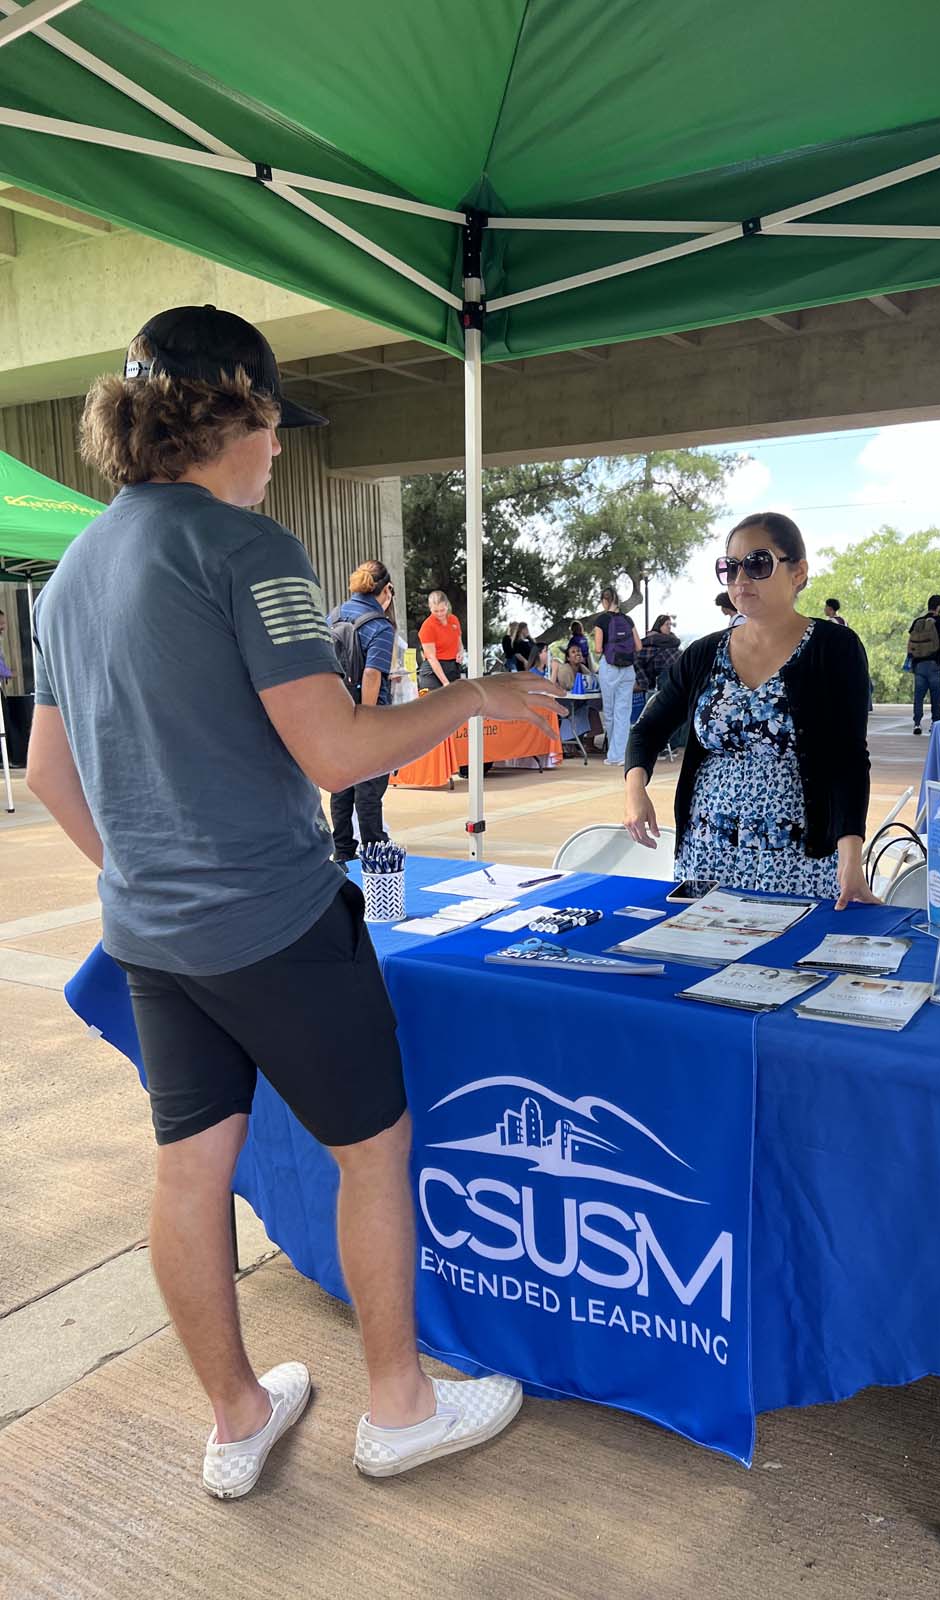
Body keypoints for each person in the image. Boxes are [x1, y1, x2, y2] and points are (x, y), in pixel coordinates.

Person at [25, 304, 558, 1496]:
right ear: (230, 411)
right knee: (372, 1153)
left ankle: (235, 1417)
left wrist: (148, 870)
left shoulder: (68, 579)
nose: (279, 451)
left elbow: (49, 774)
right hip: (274, 919)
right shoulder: (244, 547)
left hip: (151, 936)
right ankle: (401, 1405)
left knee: (186, 1172)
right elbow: (336, 751)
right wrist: (478, 699)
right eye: (273, 424)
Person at [623, 511, 877, 907]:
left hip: (798, 856)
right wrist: (636, 791)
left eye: (758, 564)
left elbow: (847, 758)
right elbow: (647, 730)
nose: (741, 579)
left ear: (798, 572)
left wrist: (850, 860)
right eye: (730, 567)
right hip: (708, 849)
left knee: (788, 963)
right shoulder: (704, 653)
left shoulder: (834, 647)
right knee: (702, 956)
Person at [327, 560, 396, 865]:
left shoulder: (334, 615)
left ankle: (342, 850)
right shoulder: (379, 626)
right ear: (387, 589)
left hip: (335, 712)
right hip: (366, 715)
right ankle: (374, 850)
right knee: (369, 785)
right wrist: (366, 718)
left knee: (341, 784)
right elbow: (371, 675)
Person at [593, 588, 641, 767]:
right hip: (628, 669)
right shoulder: (628, 619)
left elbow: (598, 648)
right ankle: (620, 753)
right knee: (624, 712)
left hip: (610, 668)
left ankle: (613, 754)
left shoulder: (602, 620)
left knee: (610, 712)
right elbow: (638, 645)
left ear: (604, 601)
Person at [908, 593, 940, 734]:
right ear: (938, 607)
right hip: (935, 664)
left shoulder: (918, 621)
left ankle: (917, 724)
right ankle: (935, 723)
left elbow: (910, 643)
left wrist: (910, 661)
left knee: (918, 696)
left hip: (919, 664)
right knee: (936, 696)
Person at [416, 589, 465, 690]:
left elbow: (459, 642)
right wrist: (445, 682)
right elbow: (431, 658)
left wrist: (460, 651)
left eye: (442, 610)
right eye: (435, 611)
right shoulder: (427, 626)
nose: (439, 614)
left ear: (447, 605)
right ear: (430, 608)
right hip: (433, 671)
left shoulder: (454, 620)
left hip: (452, 667)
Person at [636, 613, 681, 694]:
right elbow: (637, 660)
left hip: (677, 673)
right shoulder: (650, 642)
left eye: (670, 624)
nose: (669, 627)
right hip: (666, 676)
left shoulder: (671, 642)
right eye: (667, 624)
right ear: (659, 626)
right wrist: (644, 683)